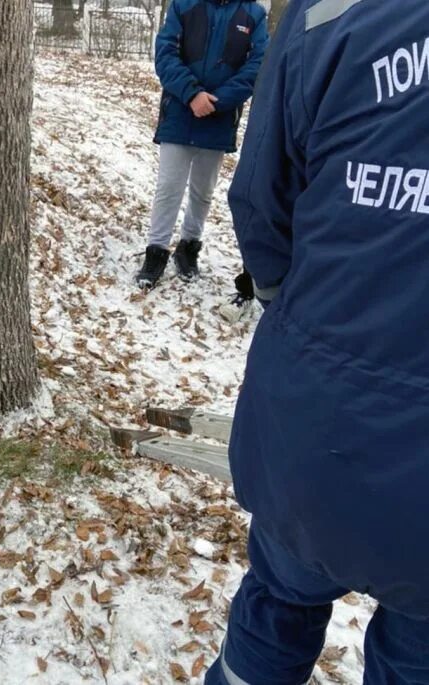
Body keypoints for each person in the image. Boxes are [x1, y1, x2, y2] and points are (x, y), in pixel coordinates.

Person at [206, 0, 429, 682]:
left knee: (274, 604)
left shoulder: (333, 13)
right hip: (331, 411)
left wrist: (290, 307)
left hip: (312, 416)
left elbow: (260, 199)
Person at [136, 0, 269, 296]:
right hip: (179, 111)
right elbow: (166, 54)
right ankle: (156, 252)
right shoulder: (184, 5)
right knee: (169, 186)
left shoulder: (254, 14)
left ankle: (189, 248)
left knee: (202, 191)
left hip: (219, 117)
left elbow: (257, 65)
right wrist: (192, 94)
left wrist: (218, 100)